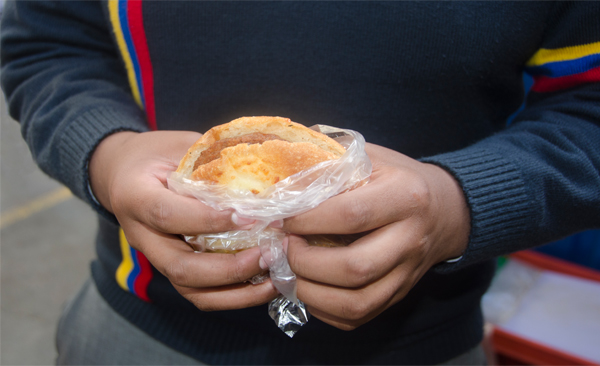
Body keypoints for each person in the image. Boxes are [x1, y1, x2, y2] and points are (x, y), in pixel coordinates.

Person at [2, 1, 600, 364]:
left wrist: (460, 203)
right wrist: (109, 154)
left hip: (422, 341)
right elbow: (47, 46)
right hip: (138, 329)